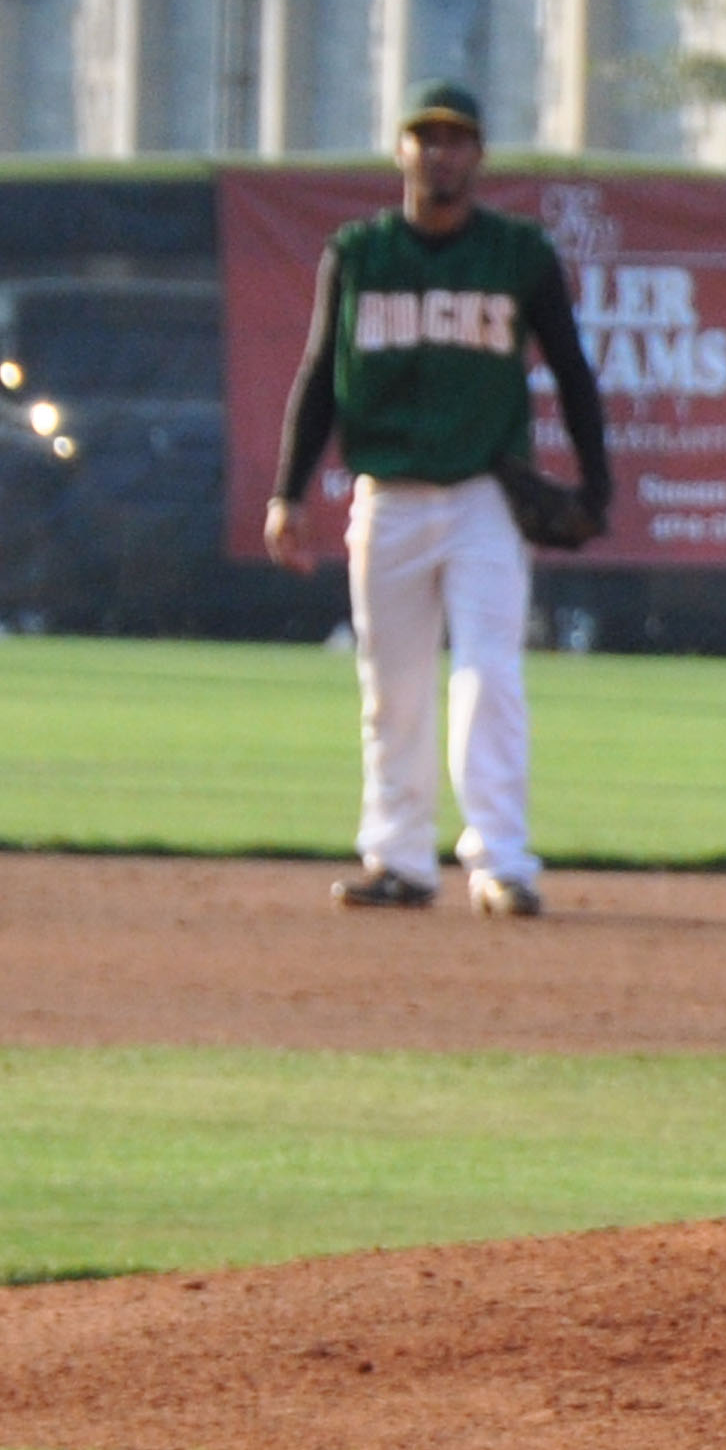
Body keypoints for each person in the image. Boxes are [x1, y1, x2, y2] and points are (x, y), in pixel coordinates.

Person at [263, 80, 612, 916]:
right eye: (426, 137)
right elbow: (320, 377)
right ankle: (400, 860)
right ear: (402, 151)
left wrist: (598, 481)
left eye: (456, 138)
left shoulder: (518, 256)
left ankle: (502, 861)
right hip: (386, 496)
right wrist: (288, 492)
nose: (440, 152)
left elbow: (570, 368)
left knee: (489, 676)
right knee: (392, 686)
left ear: (479, 155)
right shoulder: (358, 253)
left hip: (486, 495)